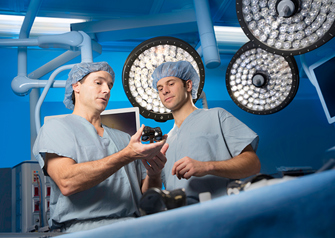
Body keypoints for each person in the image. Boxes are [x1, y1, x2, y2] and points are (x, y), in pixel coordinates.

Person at [33, 62, 168, 232]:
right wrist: (126, 155)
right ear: (77, 86)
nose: (107, 90)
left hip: (133, 228)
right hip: (84, 231)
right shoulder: (57, 128)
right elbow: (67, 182)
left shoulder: (124, 138)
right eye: (99, 83)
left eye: (110, 85)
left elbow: (146, 198)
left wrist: (154, 174)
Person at [151, 61, 261, 204]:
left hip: (221, 211)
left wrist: (207, 166)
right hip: (181, 220)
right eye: (160, 88)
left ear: (188, 85)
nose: (164, 91)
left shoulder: (217, 116)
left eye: (171, 83)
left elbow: (253, 164)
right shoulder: (166, 142)